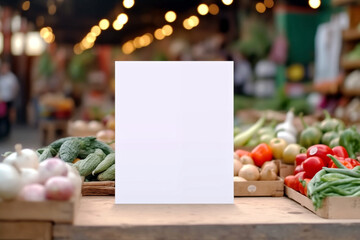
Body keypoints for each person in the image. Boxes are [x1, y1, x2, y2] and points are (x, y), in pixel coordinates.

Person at [0, 61, 19, 138]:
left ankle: (7, 132)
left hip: (9, 99)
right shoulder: (1, 77)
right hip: (2, 100)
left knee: (8, 117)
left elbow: (15, 88)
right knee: (2, 117)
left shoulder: (12, 77)